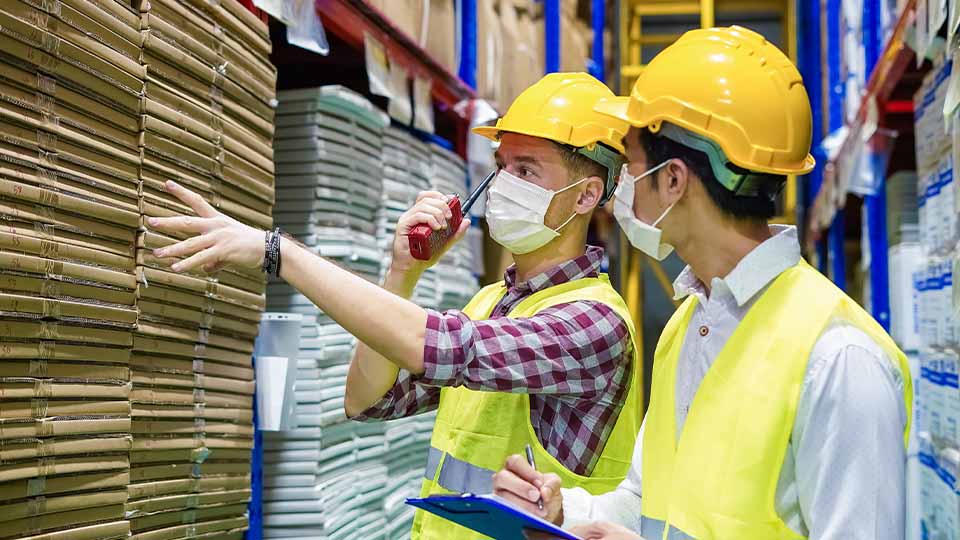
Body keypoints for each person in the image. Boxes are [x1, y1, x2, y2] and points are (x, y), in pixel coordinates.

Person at [147, 73, 645, 540]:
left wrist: (279, 254)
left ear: (585, 196)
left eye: (526, 170)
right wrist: (402, 272)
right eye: (501, 167)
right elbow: (366, 400)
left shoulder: (594, 321)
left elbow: (445, 347)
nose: (502, 184)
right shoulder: (492, 302)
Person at [492, 26, 912, 540]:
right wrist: (561, 514)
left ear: (672, 180)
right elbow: (647, 502)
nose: (622, 182)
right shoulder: (689, 323)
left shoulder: (838, 357)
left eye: (632, 161)